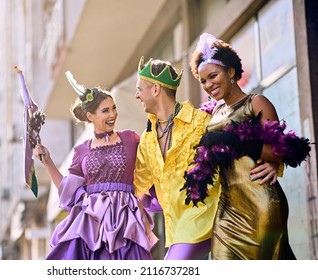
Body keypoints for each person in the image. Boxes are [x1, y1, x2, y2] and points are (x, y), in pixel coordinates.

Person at [133, 56, 279, 260]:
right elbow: (138, 186)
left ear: (156, 89)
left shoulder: (203, 121)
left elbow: (243, 141)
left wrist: (273, 161)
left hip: (209, 217)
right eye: (203, 81)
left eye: (140, 89)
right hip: (176, 229)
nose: (136, 96)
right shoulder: (147, 139)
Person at [187, 33, 311, 259]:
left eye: (213, 76)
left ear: (231, 71)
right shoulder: (213, 113)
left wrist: (237, 142)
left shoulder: (256, 102)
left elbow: (281, 150)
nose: (208, 85)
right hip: (227, 208)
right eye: (203, 81)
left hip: (260, 202)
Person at [34, 72, 158, 260]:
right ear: (90, 116)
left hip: (126, 220)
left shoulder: (131, 138)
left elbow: (153, 164)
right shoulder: (81, 150)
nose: (113, 114)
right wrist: (48, 161)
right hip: (92, 224)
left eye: (113, 108)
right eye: (105, 111)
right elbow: (67, 191)